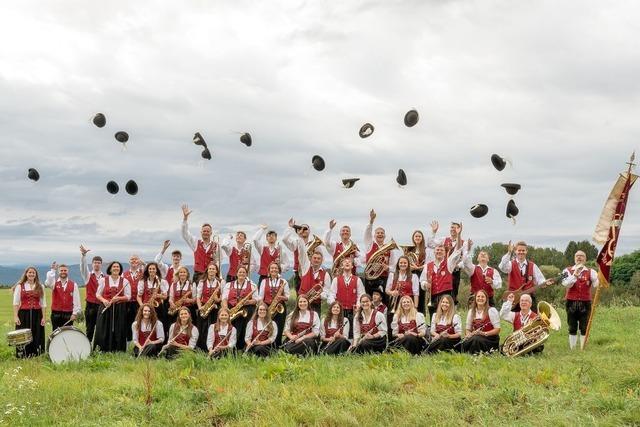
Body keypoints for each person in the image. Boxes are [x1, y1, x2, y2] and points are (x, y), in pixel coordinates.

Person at [289, 220, 331, 315]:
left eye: (318, 258)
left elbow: (327, 290)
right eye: (314, 258)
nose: (316, 260)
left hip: (316, 303)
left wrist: (320, 296)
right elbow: (302, 253)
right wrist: (297, 232)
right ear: (311, 259)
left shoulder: (325, 274)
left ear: (322, 260)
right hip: (303, 299)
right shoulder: (306, 267)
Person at [498, 241, 553, 311]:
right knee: (516, 320)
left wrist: (545, 283)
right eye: (519, 250)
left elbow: (540, 280)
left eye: (523, 250)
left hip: (529, 298)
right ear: (515, 251)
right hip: (514, 298)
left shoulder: (533, 266)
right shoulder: (510, 264)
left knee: (532, 319)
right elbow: (502, 267)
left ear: (526, 251)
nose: (521, 252)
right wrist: (509, 253)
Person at [561, 251, 599, 350]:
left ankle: (582, 348)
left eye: (582, 256)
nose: (579, 258)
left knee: (584, 326)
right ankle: (572, 349)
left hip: (585, 302)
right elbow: (565, 283)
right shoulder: (567, 270)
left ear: (585, 259)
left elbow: (596, 284)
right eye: (577, 256)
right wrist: (574, 275)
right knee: (572, 326)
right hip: (571, 302)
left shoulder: (591, 271)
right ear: (574, 258)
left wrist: (602, 275)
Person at [420, 237, 464, 318]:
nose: (439, 251)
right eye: (437, 250)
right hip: (433, 297)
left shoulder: (449, 263)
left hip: (447, 296)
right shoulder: (427, 266)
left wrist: (458, 235)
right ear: (434, 252)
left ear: (445, 253)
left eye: (441, 250)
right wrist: (425, 284)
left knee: (447, 319)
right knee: (433, 319)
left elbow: (457, 252)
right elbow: (422, 280)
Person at [93, 261, 131, 352]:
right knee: (103, 328)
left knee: (119, 328)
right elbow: (98, 294)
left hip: (119, 309)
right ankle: (102, 349)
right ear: (110, 268)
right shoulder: (103, 280)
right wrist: (104, 300)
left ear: (120, 269)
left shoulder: (125, 281)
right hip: (106, 307)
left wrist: (118, 298)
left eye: (118, 267)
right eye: (114, 266)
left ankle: (118, 349)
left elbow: (128, 296)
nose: (116, 268)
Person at [363, 209, 398, 298]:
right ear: (374, 235)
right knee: (370, 300)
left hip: (384, 278)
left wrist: (387, 268)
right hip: (370, 279)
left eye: (382, 233)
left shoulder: (390, 249)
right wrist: (371, 221)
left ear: (385, 236)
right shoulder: (370, 245)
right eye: (378, 233)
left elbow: (394, 266)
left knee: (384, 300)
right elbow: (367, 233)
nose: (380, 234)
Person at [428, 220, 465, 305]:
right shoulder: (444, 240)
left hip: (455, 271)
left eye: (455, 228)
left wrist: (457, 265)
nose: (453, 229)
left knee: (454, 295)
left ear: (459, 229)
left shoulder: (463, 242)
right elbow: (430, 244)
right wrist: (433, 232)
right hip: (443, 269)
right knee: (442, 293)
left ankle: (452, 313)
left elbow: (464, 259)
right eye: (451, 227)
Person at [181, 204, 219, 284]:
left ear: (211, 233)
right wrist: (185, 218)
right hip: (198, 274)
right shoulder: (195, 242)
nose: (206, 233)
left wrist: (218, 275)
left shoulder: (216, 245)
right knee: (196, 295)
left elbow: (218, 261)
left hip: (211, 274)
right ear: (201, 232)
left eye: (208, 231)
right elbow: (185, 234)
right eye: (204, 231)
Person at [327, 257, 366, 337]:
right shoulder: (336, 280)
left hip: (353, 310)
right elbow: (331, 295)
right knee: (340, 330)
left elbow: (361, 295)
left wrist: (358, 305)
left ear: (352, 266)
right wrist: (334, 305)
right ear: (342, 266)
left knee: (352, 330)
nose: (347, 263)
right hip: (339, 310)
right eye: (345, 262)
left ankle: (352, 347)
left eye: (349, 262)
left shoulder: (357, 279)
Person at [222, 266, 258, 350]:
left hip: (247, 311)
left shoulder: (252, 285)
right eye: (240, 272)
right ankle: (230, 347)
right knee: (232, 329)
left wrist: (248, 302)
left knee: (245, 329)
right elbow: (224, 298)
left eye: (243, 272)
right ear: (236, 274)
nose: (241, 274)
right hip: (232, 310)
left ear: (246, 274)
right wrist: (226, 308)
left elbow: (256, 300)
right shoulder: (228, 285)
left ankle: (242, 348)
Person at [12, 267, 46, 358]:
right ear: (26, 274)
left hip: (37, 313)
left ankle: (37, 354)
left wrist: (43, 317)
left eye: (33, 273)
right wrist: (16, 316)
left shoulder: (40, 286)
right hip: (23, 313)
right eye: (29, 272)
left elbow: (43, 303)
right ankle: (23, 354)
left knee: (37, 333)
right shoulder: (20, 286)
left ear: (36, 275)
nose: (31, 274)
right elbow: (15, 303)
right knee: (23, 333)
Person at [257, 262, 289, 346]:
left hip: (280, 307)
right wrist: (264, 308)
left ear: (279, 270)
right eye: (272, 268)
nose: (274, 269)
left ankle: (277, 345)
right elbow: (260, 297)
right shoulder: (264, 281)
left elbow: (287, 297)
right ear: (269, 270)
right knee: (268, 326)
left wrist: (281, 297)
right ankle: (267, 345)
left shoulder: (284, 281)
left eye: (276, 268)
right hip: (267, 307)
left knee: (279, 326)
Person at [462, 240, 502, 307]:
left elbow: (499, 284)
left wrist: (492, 282)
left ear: (488, 259)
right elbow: (465, 261)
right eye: (481, 254)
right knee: (474, 316)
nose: (483, 255)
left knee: (490, 316)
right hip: (475, 297)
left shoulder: (493, 270)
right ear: (477, 258)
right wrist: (468, 250)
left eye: (485, 254)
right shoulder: (473, 268)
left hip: (489, 298)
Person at [282, 219, 318, 294]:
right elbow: (284, 239)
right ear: (298, 232)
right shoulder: (296, 243)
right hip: (298, 273)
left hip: (312, 272)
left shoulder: (315, 244)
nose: (303, 230)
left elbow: (320, 258)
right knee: (300, 296)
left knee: (312, 295)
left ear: (309, 231)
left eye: (305, 229)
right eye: (301, 229)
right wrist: (290, 227)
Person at [461, 290, 501, 354]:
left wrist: (484, 333)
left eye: (483, 297)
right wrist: (469, 335)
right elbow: (467, 329)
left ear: (486, 299)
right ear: (475, 298)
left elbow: (497, 330)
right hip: (476, 337)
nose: (480, 298)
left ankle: (473, 353)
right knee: (464, 342)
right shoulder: (471, 311)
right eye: (478, 296)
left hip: (490, 338)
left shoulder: (492, 310)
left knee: (476, 340)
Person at [195, 263, 224, 351]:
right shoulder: (201, 282)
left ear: (216, 271)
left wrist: (218, 299)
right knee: (203, 329)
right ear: (207, 270)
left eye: (213, 269)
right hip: (204, 308)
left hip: (215, 308)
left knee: (214, 328)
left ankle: (213, 347)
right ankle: (202, 348)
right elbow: (198, 297)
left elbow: (223, 296)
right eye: (210, 269)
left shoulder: (221, 282)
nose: (211, 270)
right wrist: (200, 308)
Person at [44, 262, 81, 329]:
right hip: (56, 313)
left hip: (68, 314)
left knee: (67, 333)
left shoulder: (73, 284)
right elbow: (48, 282)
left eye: (65, 270)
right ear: (58, 272)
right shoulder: (54, 283)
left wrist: (74, 313)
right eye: (61, 270)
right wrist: (52, 270)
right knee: (56, 334)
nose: (63, 272)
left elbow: (76, 300)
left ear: (68, 271)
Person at [79, 245, 104, 343]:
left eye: (98, 263)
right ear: (92, 264)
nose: (97, 264)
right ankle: (87, 346)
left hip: (101, 306)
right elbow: (83, 267)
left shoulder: (105, 278)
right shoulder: (88, 276)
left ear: (101, 264)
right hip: (90, 306)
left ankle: (98, 347)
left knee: (101, 328)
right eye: (95, 263)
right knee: (89, 328)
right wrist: (83, 255)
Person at [253, 225, 288, 290]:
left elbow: (286, 264)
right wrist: (262, 229)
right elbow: (255, 240)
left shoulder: (281, 251)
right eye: (269, 235)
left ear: (276, 238)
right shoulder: (262, 249)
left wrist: (279, 269)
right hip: (264, 276)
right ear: (266, 238)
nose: (271, 236)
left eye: (273, 235)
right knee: (261, 296)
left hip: (276, 277)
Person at [122, 254, 145, 342]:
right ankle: (128, 343)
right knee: (128, 323)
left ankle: (139, 342)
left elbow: (152, 270)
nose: (134, 261)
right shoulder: (124, 274)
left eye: (136, 259)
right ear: (129, 262)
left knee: (139, 322)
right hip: (128, 302)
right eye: (132, 259)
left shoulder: (143, 273)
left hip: (140, 302)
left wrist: (143, 263)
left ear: (139, 261)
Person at [406, 230, 428, 313]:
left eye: (419, 236)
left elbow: (428, 263)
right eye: (416, 236)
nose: (417, 238)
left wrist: (419, 267)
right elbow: (406, 261)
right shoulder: (409, 249)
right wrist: (410, 267)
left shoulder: (426, 250)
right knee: (411, 294)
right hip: (411, 274)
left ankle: (421, 314)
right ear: (413, 238)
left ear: (422, 238)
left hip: (421, 274)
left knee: (421, 295)